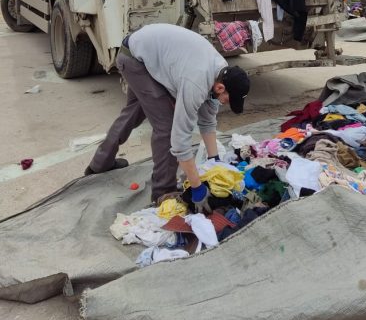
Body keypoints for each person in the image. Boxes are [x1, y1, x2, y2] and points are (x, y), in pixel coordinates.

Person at [85, 23, 250, 210]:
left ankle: (100, 163)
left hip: (144, 53)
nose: (227, 103)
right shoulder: (196, 83)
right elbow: (179, 142)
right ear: (220, 88)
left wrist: (215, 160)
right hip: (134, 60)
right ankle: (163, 192)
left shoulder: (221, 73)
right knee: (167, 126)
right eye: (229, 99)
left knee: (133, 112)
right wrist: (197, 187)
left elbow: (207, 120)